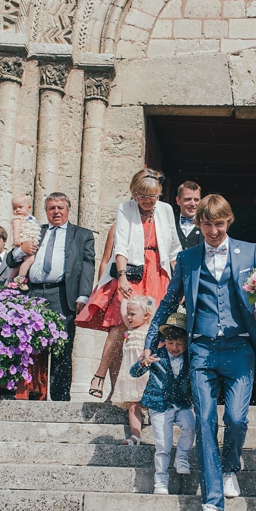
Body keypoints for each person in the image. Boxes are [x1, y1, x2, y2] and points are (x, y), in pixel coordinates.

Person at [143, 194, 256, 511]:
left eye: (220, 223)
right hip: (202, 350)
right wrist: (150, 341)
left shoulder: (252, 252)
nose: (214, 230)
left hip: (240, 348)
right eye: (208, 224)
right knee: (207, 422)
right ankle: (212, 505)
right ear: (199, 224)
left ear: (229, 222)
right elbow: (169, 303)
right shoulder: (188, 259)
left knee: (238, 420)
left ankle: (230, 467)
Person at [78, 169, 181, 400]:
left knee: (157, 329)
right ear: (134, 193)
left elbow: (174, 249)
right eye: (142, 196)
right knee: (120, 324)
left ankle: (153, 391)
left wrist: (179, 281)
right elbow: (121, 246)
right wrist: (122, 277)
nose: (147, 200)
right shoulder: (125, 208)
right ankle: (102, 376)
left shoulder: (165, 210)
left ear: (159, 193)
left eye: (152, 196)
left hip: (159, 271)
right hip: (132, 272)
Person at [17, 193, 96, 402]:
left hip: (62, 295)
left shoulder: (82, 235)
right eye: (51, 208)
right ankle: (33, 395)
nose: (56, 211)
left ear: (68, 209)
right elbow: (14, 256)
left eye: (60, 207)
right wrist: (20, 251)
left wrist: (84, 295)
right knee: (31, 346)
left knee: (62, 348)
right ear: (46, 211)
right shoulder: (36, 232)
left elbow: (88, 266)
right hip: (32, 294)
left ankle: (60, 399)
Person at [131, 310, 194, 495]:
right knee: (163, 445)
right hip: (159, 404)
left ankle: (182, 456)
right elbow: (133, 373)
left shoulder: (191, 358)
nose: (175, 347)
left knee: (191, 426)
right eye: (170, 342)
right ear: (164, 340)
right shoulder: (156, 354)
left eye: (180, 344)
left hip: (181, 403)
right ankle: (160, 481)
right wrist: (143, 363)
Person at [108, 296, 155, 446]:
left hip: (146, 374)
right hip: (131, 376)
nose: (128, 317)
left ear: (146, 315)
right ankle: (136, 436)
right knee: (133, 404)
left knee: (153, 404)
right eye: (128, 313)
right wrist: (125, 298)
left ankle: (158, 433)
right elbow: (123, 312)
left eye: (132, 314)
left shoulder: (149, 331)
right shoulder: (130, 329)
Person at [174, 181, 203, 249]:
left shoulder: (206, 225)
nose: (193, 204)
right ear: (178, 200)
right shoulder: (170, 223)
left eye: (196, 200)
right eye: (188, 199)